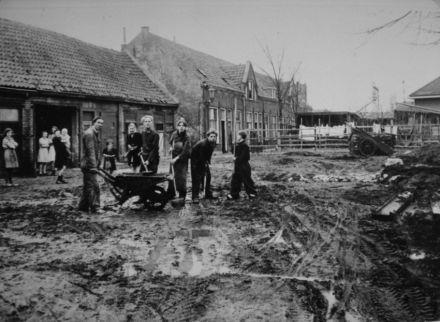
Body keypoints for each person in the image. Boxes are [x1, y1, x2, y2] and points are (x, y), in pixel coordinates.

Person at [78, 117, 104, 213]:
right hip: (89, 165)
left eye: (102, 123)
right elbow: (91, 150)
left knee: (88, 186)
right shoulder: (89, 134)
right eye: (98, 122)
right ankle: (95, 207)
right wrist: (94, 166)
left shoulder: (94, 133)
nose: (100, 125)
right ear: (93, 123)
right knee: (94, 186)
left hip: (89, 164)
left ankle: (83, 206)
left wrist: (98, 163)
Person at [227, 131, 257, 200]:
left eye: (238, 135)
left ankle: (252, 193)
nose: (237, 136)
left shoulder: (245, 145)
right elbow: (233, 151)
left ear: (241, 137)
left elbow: (244, 157)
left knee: (247, 180)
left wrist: (236, 159)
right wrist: (232, 145)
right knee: (235, 180)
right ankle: (234, 194)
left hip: (244, 166)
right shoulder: (238, 144)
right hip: (237, 166)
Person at [190, 130, 217, 204]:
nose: (213, 138)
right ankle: (195, 197)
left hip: (203, 160)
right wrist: (204, 164)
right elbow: (201, 156)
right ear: (208, 137)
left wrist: (208, 162)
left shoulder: (212, 143)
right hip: (195, 161)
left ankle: (207, 193)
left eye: (214, 137)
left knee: (208, 176)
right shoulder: (203, 144)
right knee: (197, 179)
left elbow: (209, 154)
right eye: (211, 136)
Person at [168, 120, 191, 199]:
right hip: (173, 157)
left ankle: (182, 195)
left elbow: (185, 151)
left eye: (183, 126)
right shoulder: (174, 134)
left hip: (182, 160)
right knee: (172, 176)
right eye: (179, 125)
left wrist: (176, 159)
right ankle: (171, 193)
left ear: (185, 128)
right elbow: (171, 143)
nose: (181, 127)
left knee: (181, 177)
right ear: (177, 127)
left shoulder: (187, 137)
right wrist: (171, 148)